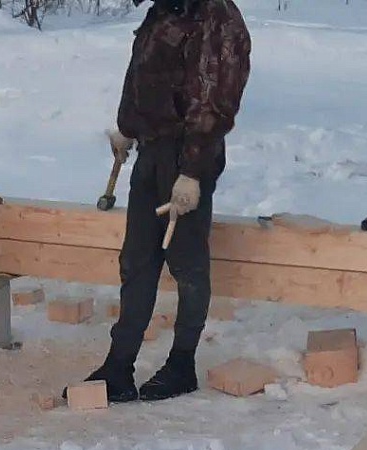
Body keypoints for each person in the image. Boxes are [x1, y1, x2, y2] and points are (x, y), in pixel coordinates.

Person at [82, 0, 250, 402]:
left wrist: (192, 171)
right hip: (152, 151)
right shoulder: (163, 8)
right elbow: (141, 70)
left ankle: (182, 363)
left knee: (187, 263)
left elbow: (214, 102)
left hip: (188, 152)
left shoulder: (216, 18)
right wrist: (128, 126)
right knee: (137, 260)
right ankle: (119, 364)